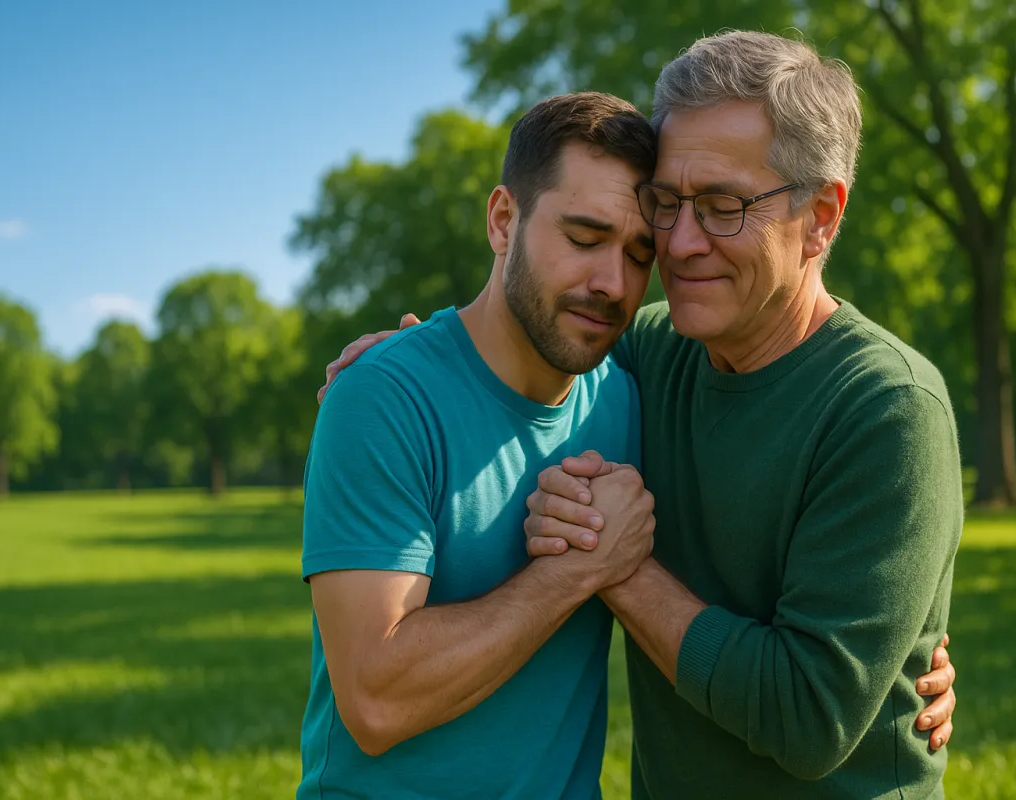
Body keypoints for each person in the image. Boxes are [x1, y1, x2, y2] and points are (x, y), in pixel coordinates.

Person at [318, 30, 961, 800]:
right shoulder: (648, 356)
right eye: (668, 205)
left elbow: (810, 715)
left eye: (724, 207)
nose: (679, 246)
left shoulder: (887, 408)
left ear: (820, 216)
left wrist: (614, 564)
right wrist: (411, 360)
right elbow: (517, 344)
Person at [298, 92, 662, 800]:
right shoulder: (384, 399)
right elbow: (375, 700)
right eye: (584, 238)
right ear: (504, 220)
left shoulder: (634, 396)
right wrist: (575, 572)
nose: (611, 283)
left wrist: (913, 656)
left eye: (639, 254)